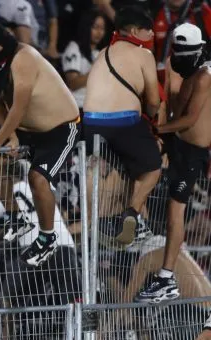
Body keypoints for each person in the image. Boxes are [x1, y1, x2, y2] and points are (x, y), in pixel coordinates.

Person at [0, 18, 81, 267]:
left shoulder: (25, 57)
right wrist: (9, 136)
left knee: (38, 178)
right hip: (27, 130)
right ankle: (16, 216)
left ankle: (47, 237)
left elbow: (19, 106)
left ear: (5, 43)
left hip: (60, 128)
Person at [137, 23, 211, 303]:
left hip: (192, 152)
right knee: (140, 164)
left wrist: (161, 129)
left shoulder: (205, 75)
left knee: (175, 214)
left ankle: (166, 278)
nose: (178, 56)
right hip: (176, 142)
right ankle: (134, 221)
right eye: (176, 51)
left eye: (184, 52)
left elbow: (189, 119)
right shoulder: (179, 63)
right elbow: (172, 100)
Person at [83, 7, 162, 247]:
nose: (151, 37)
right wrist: (151, 116)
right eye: (149, 32)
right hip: (123, 122)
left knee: (129, 167)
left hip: (89, 123)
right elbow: (153, 102)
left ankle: (111, 220)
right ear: (136, 31)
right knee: (152, 167)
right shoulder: (144, 55)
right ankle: (132, 216)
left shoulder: (103, 52)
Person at [61, 10, 110, 109]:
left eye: (102, 28)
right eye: (95, 27)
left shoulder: (98, 53)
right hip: (76, 106)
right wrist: (97, 68)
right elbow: (73, 83)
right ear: (86, 27)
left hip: (95, 107)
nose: (99, 32)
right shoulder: (73, 48)